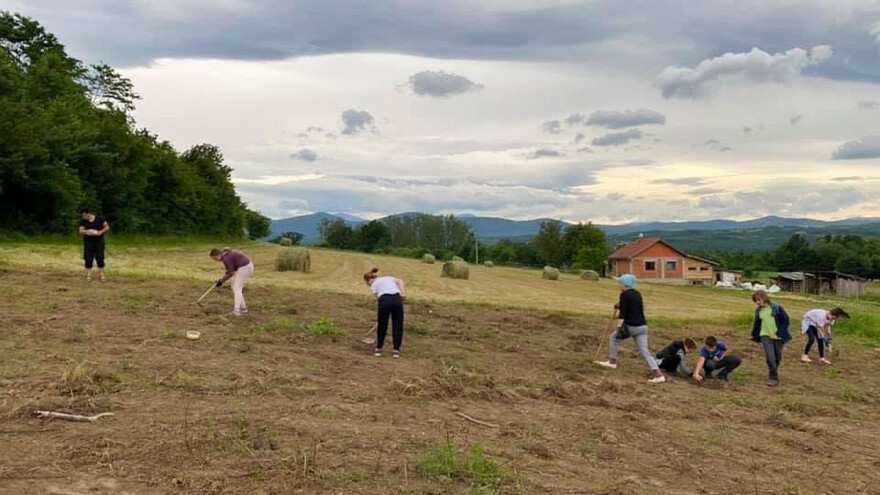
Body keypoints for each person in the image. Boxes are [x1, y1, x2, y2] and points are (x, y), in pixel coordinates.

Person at [594, 274, 666, 384]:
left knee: (613, 338)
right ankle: (658, 374)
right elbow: (631, 307)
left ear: (624, 284)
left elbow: (623, 314)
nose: (619, 285)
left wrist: (618, 327)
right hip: (643, 327)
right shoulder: (637, 294)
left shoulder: (624, 295)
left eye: (620, 283)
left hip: (631, 327)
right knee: (645, 351)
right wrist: (619, 305)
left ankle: (612, 362)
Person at [750, 290, 792, 387]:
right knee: (770, 356)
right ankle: (773, 378)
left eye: (758, 300)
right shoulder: (758, 310)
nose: (757, 302)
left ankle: (773, 370)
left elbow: (786, 321)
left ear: (764, 298)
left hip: (778, 336)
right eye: (755, 301)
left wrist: (778, 333)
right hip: (765, 335)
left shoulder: (777, 308)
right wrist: (755, 337)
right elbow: (757, 324)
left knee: (777, 357)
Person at [363, 267, 406, 358]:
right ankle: (396, 350)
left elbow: (378, 298)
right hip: (397, 299)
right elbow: (400, 281)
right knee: (398, 325)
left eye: (367, 283)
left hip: (385, 300)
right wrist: (403, 293)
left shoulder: (373, 285)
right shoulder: (389, 278)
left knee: (382, 325)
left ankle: (378, 348)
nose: (368, 285)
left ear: (370, 280)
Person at [210, 247, 254, 316]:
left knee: (236, 288)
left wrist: (221, 281)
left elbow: (231, 273)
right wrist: (221, 280)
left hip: (245, 268)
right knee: (235, 287)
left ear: (218, 255)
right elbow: (229, 270)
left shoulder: (226, 259)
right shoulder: (226, 254)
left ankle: (237, 311)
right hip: (246, 267)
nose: (216, 261)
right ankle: (243, 309)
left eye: (215, 259)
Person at [77, 207, 110, 282]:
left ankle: (101, 274)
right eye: (82, 216)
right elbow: (80, 231)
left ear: (88, 214)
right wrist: (88, 231)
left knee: (100, 257)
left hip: (99, 242)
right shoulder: (83, 221)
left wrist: (100, 232)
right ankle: (89, 274)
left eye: (84, 215)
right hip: (88, 242)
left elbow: (107, 227)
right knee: (88, 257)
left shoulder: (99, 219)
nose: (83, 217)